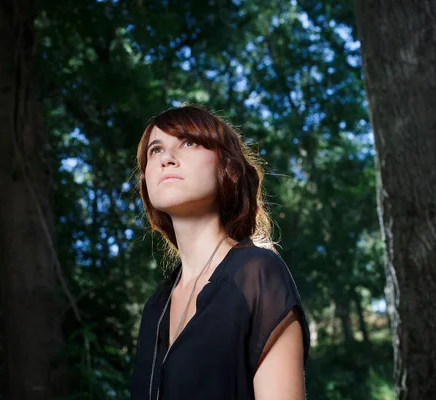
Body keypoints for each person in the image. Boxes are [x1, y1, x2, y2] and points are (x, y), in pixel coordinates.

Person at [130, 104, 310, 400]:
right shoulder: (155, 308)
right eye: (155, 150)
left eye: (189, 142)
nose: (167, 159)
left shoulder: (258, 276)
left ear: (226, 166)